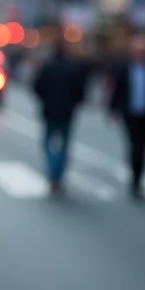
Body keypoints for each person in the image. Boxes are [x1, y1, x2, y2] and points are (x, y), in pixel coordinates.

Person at [109, 34, 145, 198]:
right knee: (135, 146)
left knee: (144, 147)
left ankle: (139, 178)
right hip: (130, 112)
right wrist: (113, 110)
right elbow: (117, 91)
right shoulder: (123, 69)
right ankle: (134, 178)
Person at [33, 40, 85, 194]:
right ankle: (57, 173)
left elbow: (37, 87)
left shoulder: (47, 67)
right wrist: (72, 103)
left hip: (50, 111)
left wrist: (46, 100)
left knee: (48, 143)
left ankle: (53, 171)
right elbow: (80, 91)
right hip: (67, 112)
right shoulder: (72, 68)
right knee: (64, 145)